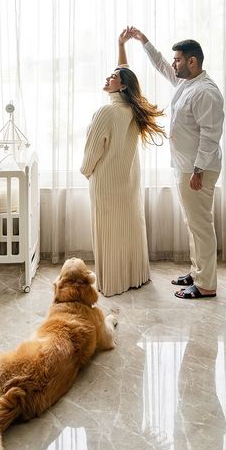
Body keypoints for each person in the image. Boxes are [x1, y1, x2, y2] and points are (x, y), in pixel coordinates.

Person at [131, 28, 224, 299]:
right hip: (185, 166)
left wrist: (198, 171)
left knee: (201, 225)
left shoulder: (206, 92)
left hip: (198, 170)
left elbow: (210, 137)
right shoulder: (187, 83)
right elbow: (161, 65)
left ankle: (206, 284)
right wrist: (143, 40)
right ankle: (197, 272)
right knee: (193, 222)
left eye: (178, 60)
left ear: (192, 61)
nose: (174, 64)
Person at [80, 28, 165, 297]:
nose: (108, 78)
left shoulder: (106, 111)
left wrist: (86, 171)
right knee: (129, 228)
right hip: (128, 182)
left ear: (123, 86)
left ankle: (112, 283)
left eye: (113, 77)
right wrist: (120, 45)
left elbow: (92, 152)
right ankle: (134, 277)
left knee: (108, 233)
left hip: (105, 182)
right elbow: (125, 71)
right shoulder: (132, 110)